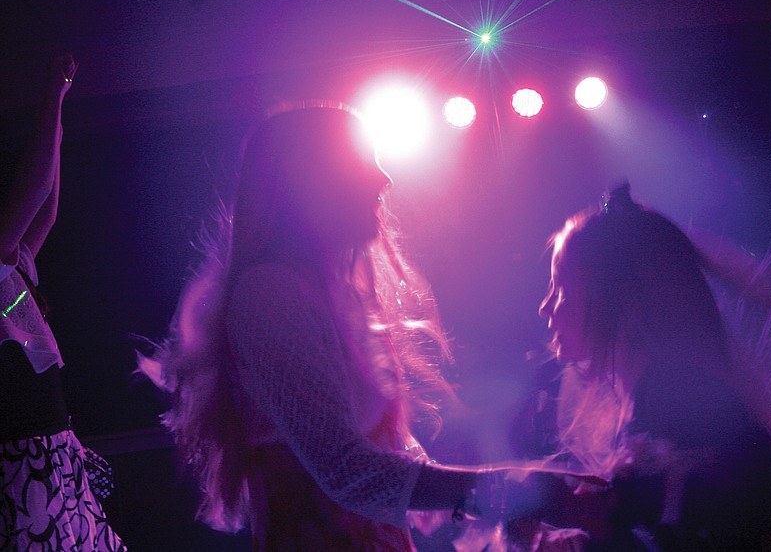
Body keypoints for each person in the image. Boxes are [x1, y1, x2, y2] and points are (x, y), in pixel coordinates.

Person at [139, 102, 566, 551]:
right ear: (309, 181)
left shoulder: (325, 296)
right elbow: (347, 470)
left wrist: (503, 491)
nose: (384, 179)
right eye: (364, 163)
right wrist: (507, 492)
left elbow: (375, 466)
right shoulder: (269, 293)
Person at [529, 183, 771, 551]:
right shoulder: (661, 399)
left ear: (623, 302)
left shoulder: (675, 411)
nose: (545, 308)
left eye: (561, 287)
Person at [0, 54, 127, 550]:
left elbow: (46, 206)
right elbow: (32, 195)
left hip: (50, 454)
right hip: (19, 466)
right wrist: (53, 93)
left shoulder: (11, 280)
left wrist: (60, 101)